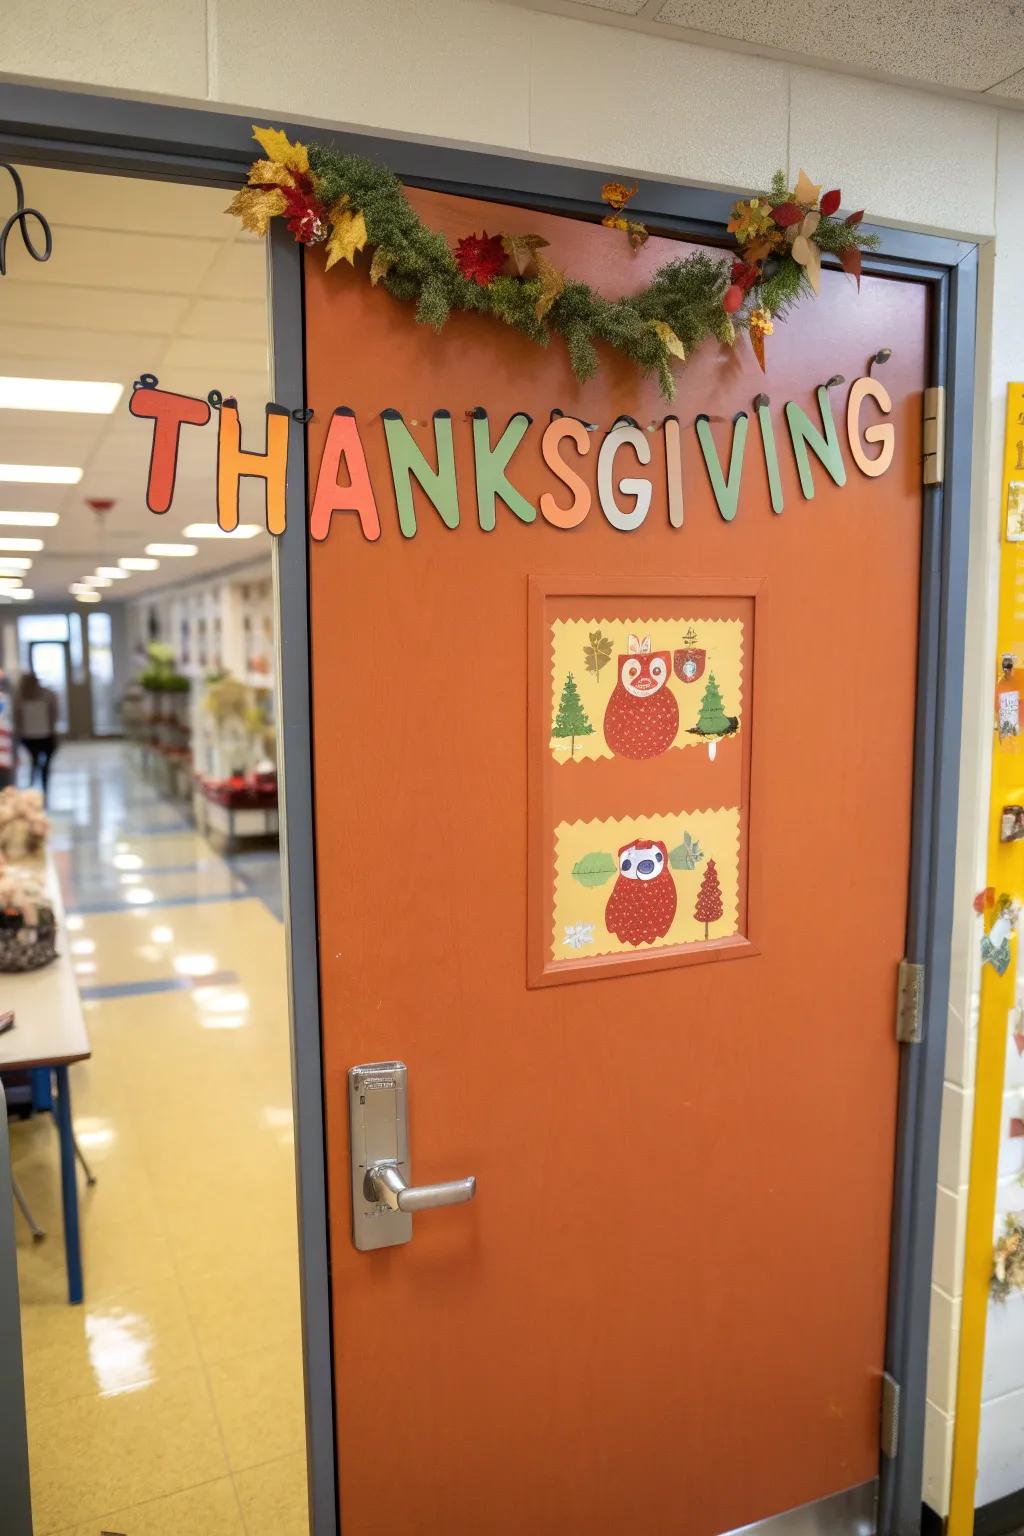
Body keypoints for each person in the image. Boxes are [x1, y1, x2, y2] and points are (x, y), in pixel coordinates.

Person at [14, 672, 58, 800]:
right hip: (35, 735)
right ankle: (37, 787)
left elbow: (53, 713)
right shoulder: (21, 697)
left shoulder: (46, 695)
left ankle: (38, 787)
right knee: (38, 763)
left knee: (38, 763)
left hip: (41, 734)